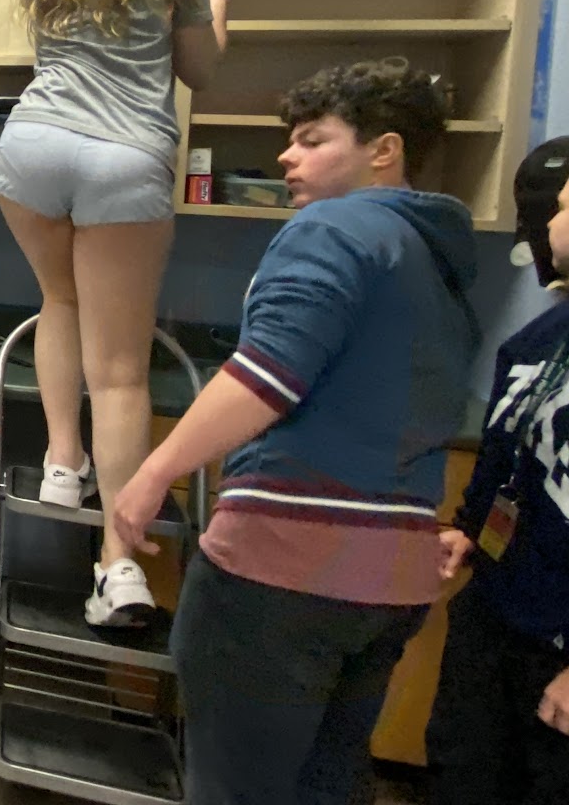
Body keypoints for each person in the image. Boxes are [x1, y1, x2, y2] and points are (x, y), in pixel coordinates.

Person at [110, 58, 478, 804]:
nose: (287, 156)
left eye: (313, 139)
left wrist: (151, 474)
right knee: (330, 780)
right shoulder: (439, 260)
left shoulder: (334, 227)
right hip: (391, 584)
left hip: (284, 577)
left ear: (385, 150)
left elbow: (268, 374)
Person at [0, 0, 236, 625]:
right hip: (124, 158)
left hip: (31, 148)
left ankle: (63, 461)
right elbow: (200, 69)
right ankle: (117, 566)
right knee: (123, 372)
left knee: (58, 301)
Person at [425, 137, 569, 804]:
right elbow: (507, 463)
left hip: (558, 647)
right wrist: (469, 532)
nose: (550, 224)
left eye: (563, 208)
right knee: (463, 770)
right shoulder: (537, 343)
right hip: (496, 614)